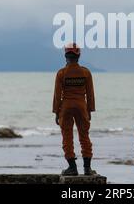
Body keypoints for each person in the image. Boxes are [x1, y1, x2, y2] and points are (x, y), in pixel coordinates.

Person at [53, 43, 96, 176]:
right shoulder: (85, 72)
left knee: (67, 137)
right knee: (84, 136)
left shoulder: (61, 73)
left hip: (66, 107)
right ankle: (87, 169)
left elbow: (57, 94)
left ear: (66, 56)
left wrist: (56, 112)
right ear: (78, 56)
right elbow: (90, 94)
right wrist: (90, 110)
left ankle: (72, 168)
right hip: (81, 106)